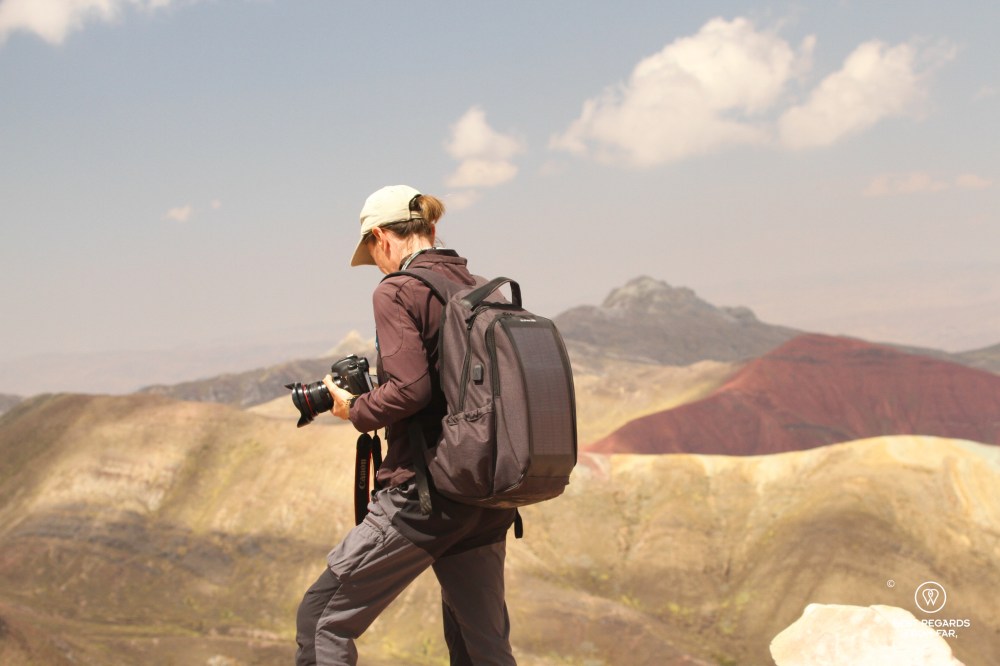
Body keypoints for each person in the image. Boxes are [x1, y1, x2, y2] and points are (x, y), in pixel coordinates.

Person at [295, 185, 517, 666]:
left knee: (321, 620)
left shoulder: (397, 290)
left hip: (426, 496)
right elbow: (445, 383)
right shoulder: (482, 289)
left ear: (380, 237)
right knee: (482, 647)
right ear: (433, 229)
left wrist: (352, 410)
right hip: (485, 492)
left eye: (372, 251)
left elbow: (411, 392)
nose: (376, 263)